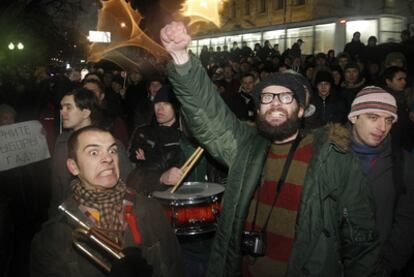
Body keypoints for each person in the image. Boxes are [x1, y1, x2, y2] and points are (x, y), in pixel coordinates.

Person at [160, 21, 381, 277]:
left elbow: (361, 237)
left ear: (300, 109)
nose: (275, 103)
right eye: (267, 97)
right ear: (259, 109)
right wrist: (180, 57)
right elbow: (208, 113)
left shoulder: (332, 155)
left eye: (286, 97)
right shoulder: (246, 148)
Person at [31, 126, 185, 277]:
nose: (108, 158)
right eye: (94, 152)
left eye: (112, 150)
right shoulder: (54, 236)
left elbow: (173, 268)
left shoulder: (150, 210)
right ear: (73, 167)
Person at [347, 86, 414, 275]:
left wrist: (388, 263)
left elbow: (408, 218)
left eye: (388, 120)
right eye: (373, 117)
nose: (382, 127)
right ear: (354, 117)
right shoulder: (331, 155)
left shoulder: (404, 164)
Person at [49, 87, 132, 217]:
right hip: (67, 215)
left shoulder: (109, 145)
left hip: (101, 216)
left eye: (68, 107)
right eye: (62, 107)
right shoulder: (61, 141)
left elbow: (126, 182)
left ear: (86, 112)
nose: (62, 112)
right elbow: (57, 186)